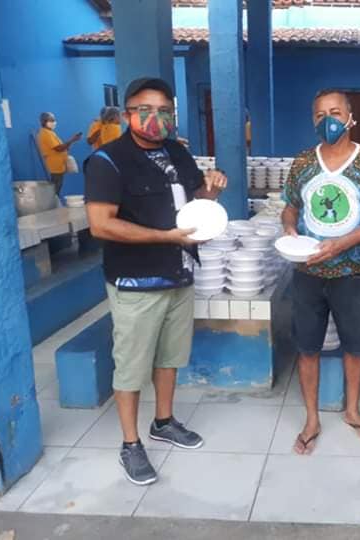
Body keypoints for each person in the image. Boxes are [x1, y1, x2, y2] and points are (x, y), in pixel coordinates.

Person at [84, 77, 228, 485]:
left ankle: (163, 422)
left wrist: (212, 191)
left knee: (170, 357)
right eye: (144, 110)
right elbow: (101, 224)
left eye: (164, 111)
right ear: (127, 114)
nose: (155, 118)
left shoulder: (177, 152)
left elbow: (195, 205)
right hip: (135, 282)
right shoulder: (108, 161)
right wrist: (166, 237)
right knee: (131, 367)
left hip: (179, 274)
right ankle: (130, 444)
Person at [281, 89, 360, 455]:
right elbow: (290, 207)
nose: (326, 120)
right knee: (307, 348)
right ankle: (312, 419)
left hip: (352, 272)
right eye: (319, 114)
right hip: (308, 271)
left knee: (355, 347)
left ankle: (352, 410)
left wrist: (340, 244)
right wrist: (290, 228)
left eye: (334, 112)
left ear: (350, 117)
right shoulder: (302, 163)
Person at [36, 112, 81, 195]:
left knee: (57, 189)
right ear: (44, 121)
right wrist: (72, 140)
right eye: (51, 120)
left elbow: (62, 147)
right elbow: (58, 148)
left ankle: (55, 202)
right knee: (54, 191)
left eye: (54, 120)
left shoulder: (51, 133)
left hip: (58, 167)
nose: (54, 122)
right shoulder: (45, 133)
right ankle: (53, 203)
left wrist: (70, 143)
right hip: (53, 168)